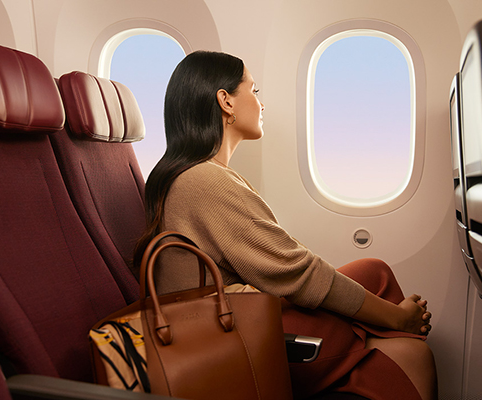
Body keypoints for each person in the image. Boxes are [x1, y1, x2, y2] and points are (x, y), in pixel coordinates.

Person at [134, 50, 437, 400]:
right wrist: (397, 320)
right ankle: (396, 342)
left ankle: (378, 362)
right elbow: (297, 273)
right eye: (254, 90)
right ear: (226, 101)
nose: (261, 104)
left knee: (373, 273)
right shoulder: (204, 181)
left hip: (236, 319)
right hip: (236, 337)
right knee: (382, 287)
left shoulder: (198, 175)